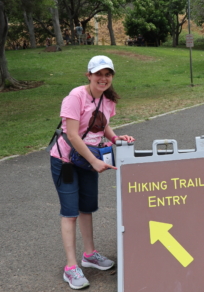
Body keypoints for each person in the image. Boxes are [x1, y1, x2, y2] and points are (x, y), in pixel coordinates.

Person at [49, 55, 135, 290]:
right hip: (66, 160)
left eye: (107, 74)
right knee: (70, 213)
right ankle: (71, 267)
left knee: (87, 209)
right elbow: (73, 135)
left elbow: (102, 124)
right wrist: (94, 162)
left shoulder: (108, 99)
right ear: (89, 75)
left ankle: (90, 254)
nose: (103, 78)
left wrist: (116, 138)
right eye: (98, 74)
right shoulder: (75, 97)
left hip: (88, 160)